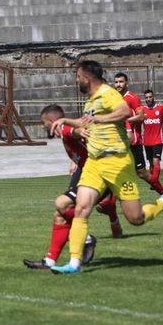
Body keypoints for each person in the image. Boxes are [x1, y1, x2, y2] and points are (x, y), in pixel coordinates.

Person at [48, 61, 163, 274]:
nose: (76, 81)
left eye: (78, 77)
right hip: (94, 163)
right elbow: (88, 122)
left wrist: (100, 118)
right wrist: (67, 120)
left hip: (118, 162)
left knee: (136, 218)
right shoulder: (91, 101)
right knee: (81, 209)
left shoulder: (108, 93)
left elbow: (123, 111)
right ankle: (74, 264)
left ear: (87, 78)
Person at [23, 104, 120, 270]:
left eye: (43, 122)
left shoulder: (63, 127)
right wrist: (75, 161)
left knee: (61, 203)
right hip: (87, 172)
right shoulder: (64, 131)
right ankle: (50, 261)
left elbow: (72, 131)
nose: (43, 126)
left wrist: (77, 131)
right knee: (59, 215)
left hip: (100, 175)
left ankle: (87, 239)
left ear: (52, 121)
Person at [112, 72, 163, 196]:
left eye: (121, 82)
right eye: (116, 82)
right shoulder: (113, 97)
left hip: (133, 141)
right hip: (119, 141)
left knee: (142, 172)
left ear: (127, 83)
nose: (118, 84)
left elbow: (141, 116)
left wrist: (125, 120)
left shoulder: (132, 98)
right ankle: (109, 202)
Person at [141, 89, 163, 185]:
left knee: (156, 161)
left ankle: (155, 183)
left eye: (150, 97)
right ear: (145, 99)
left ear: (153, 97)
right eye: (147, 97)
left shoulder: (161, 108)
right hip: (146, 141)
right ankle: (154, 181)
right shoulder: (142, 110)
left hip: (158, 139)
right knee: (150, 163)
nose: (149, 99)